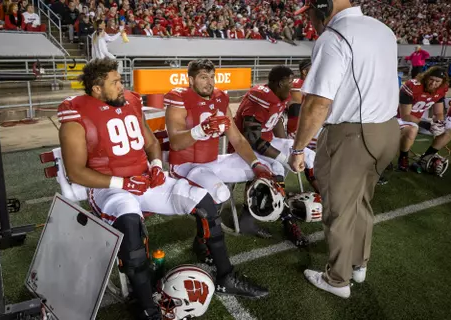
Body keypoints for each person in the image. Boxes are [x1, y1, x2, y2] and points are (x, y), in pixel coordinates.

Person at [57, 58, 268, 320]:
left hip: (144, 179)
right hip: (110, 188)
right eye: (115, 82)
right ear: (96, 89)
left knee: (204, 201)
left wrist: (156, 165)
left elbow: (151, 143)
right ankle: (146, 307)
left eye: (120, 80)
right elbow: (75, 172)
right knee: (131, 228)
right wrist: (122, 183)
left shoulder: (131, 101)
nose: (122, 86)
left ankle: (226, 275)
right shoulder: (76, 112)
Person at [291, 0, 400, 298]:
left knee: (338, 211)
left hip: (352, 134)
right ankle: (358, 265)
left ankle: (337, 280)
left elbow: (317, 103)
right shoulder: (383, 29)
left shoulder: (334, 37)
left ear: (324, 6)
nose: (309, 19)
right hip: (388, 130)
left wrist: (298, 149)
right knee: (362, 202)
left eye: (311, 11)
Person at [164, 59, 295, 243]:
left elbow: (238, 139)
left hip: (211, 161)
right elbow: (176, 143)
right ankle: (203, 241)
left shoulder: (219, 98)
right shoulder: (179, 99)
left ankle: (248, 221)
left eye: (212, 77)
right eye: (203, 77)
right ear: (191, 80)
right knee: (220, 193)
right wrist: (201, 130)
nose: (210, 82)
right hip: (185, 165)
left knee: (269, 170)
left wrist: (256, 164)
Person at [232, 65, 316, 246]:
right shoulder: (259, 99)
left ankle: (280, 208)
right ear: (279, 84)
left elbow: (276, 119)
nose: (292, 86)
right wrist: (283, 157)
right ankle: (284, 219)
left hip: (265, 142)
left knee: (306, 154)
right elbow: (252, 139)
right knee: (276, 167)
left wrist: (285, 143)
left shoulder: (278, 95)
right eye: (289, 82)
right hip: (246, 148)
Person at [396, 66, 451, 172]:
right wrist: (426, 124)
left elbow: (438, 112)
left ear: (442, 82)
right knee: (413, 129)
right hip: (398, 118)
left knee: (448, 130)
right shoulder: (412, 86)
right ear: (426, 77)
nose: (433, 83)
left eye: (437, 81)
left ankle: (425, 158)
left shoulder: (441, 89)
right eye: (431, 79)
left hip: (418, 119)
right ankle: (403, 159)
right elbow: (405, 115)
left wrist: (438, 123)